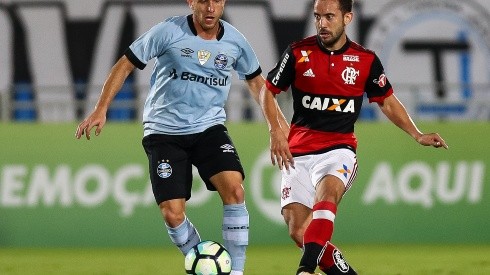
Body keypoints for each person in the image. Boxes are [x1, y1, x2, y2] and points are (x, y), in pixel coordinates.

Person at [75, 1, 286, 274]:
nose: (210, 7)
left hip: (209, 127)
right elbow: (125, 63)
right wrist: (100, 108)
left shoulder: (235, 41)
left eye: (217, 1)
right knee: (172, 214)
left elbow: (258, 84)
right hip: (164, 131)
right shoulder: (167, 31)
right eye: (203, 1)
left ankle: (235, 272)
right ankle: (202, 265)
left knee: (235, 189)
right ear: (191, 2)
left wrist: (277, 126)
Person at [258, 0, 449, 274]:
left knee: (328, 197)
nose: (322, 23)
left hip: (339, 148)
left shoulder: (365, 60)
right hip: (298, 151)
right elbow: (268, 90)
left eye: (329, 16)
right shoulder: (299, 52)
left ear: (347, 17)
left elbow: (387, 101)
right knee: (299, 231)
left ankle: (304, 269)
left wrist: (417, 134)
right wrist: (275, 129)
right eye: (317, 17)